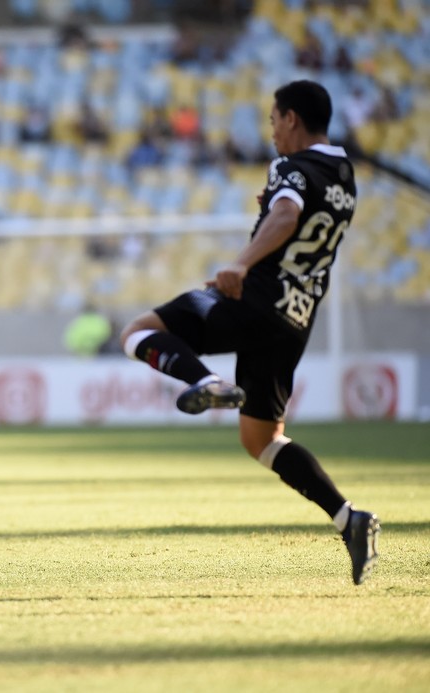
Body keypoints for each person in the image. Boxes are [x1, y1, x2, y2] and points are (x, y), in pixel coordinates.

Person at [118, 80, 379, 586]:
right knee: (261, 439)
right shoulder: (343, 175)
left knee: (138, 331)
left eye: (274, 119)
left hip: (254, 299)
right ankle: (350, 518)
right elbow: (296, 214)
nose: (272, 130)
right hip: (296, 321)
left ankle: (205, 382)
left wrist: (240, 263)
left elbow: (286, 213)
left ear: (293, 120)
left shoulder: (293, 166)